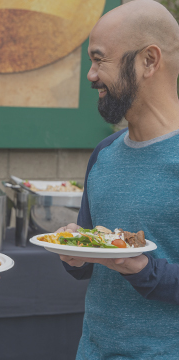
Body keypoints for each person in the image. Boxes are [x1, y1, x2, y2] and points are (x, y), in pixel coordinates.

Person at [57, 0, 179, 358]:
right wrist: (74, 253)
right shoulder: (104, 152)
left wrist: (141, 268)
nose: (91, 74)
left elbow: (138, 267)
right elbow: (91, 263)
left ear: (149, 60)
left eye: (100, 59)